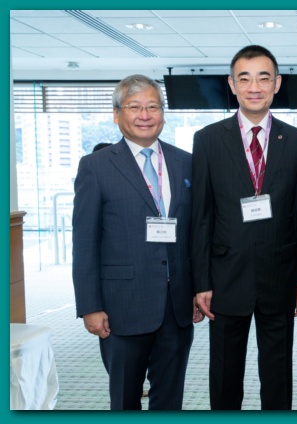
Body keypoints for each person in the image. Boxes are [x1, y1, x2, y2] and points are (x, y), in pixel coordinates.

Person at [191, 45, 297, 410]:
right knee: (225, 374)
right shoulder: (208, 139)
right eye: (244, 79)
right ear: (232, 85)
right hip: (225, 277)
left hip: (281, 276)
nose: (254, 87)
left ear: (277, 83)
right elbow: (201, 216)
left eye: (263, 78)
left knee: (277, 374)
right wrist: (201, 282)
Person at [72, 74, 202, 410]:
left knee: (169, 399)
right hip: (121, 307)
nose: (145, 115)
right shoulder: (95, 167)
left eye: (153, 107)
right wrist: (89, 306)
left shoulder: (185, 162)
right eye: (134, 107)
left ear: (163, 115)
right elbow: (84, 242)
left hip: (176, 306)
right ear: (117, 114)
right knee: (125, 399)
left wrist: (197, 289)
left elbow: (195, 234)